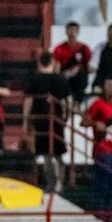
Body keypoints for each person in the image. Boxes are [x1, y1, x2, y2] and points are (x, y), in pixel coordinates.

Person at [22, 52, 72, 193]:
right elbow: (69, 100)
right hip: (56, 120)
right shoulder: (60, 79)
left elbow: (28, 101)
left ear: (39, 62)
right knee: (58, 153)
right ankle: (59, 184)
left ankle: (50, 183)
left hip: (40, 120)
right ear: (53, 62)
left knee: (46, 154)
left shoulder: (35, 79)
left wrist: (25, 120)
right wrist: (67, 116)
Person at [81, 77, 112, 222]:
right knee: (103, 184)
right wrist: (96, 123)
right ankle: (101, 217)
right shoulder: (97, 104)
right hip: (102, 150)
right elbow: (83, 121)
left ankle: (111, 217)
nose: (111, 88)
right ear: (104, 87)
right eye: (108, 85)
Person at [52, 21, 92, 113]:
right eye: (70, 30)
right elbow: (57, 67)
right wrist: (64, 74)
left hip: (80, 78)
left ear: (78, 32)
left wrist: (77, 69)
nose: (72, 33)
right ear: (66, 32)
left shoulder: (84, 48)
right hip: (65, 76)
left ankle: (77, 102)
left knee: (80, 72)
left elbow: (89, 67)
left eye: (74, 30)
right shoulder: (59, 48)